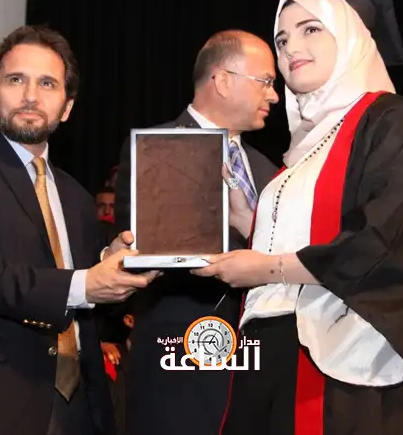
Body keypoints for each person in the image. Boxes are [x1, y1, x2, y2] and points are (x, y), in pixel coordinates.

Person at [194, 0, 403, 435]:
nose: (291, 48)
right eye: (282, 39)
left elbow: (386, 242)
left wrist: (265, 268)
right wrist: (248, 220)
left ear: (349, 37)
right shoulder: (303, 148)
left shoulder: (390, 121)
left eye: (310, 29)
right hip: (268, 345)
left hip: (334, 353)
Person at [0, 25, 158, 435]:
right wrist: (86, 284)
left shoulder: (76, 196)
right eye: (16, 80)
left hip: (80, 409)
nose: (31, 96)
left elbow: (85, 297)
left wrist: (110, 263)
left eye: (47, 84)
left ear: (67, 107)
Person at [113, 29, 279, 435]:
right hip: (180, 364)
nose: (274, 96)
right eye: (265, 82)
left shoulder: (271, 171)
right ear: (222, 80)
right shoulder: (156, 149)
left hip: (257, 368)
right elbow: (153, 255)